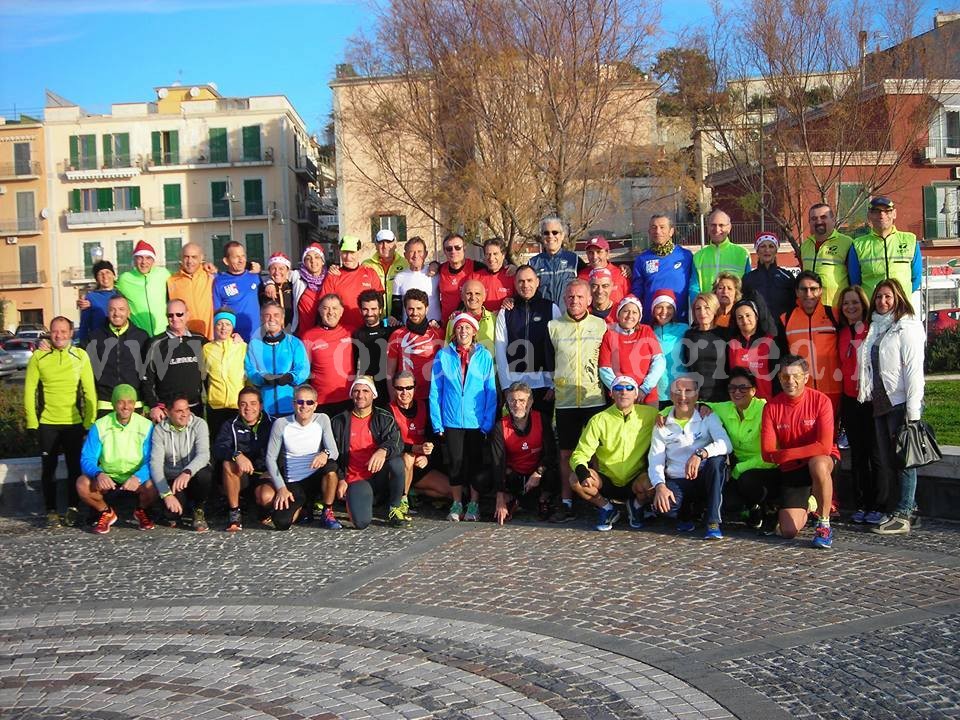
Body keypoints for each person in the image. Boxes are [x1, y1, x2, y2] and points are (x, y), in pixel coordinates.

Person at [858, 278, 926, 535]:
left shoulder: (906, 327)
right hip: (880, 403)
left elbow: (914, 371)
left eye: (888, 297)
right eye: (878, 297)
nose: (882, 302)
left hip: (900, 403)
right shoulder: (875, 326)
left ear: (898, 298)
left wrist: (913, 411)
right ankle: (907, 507)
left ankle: (904, 513)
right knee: (889, 461)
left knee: (904, 461)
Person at [24, 316, 97, 527]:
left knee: (75, 468)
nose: (59, 336)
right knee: (49, 469)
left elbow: (89, 391)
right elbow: (29, 391)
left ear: (71, 333)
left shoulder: (80, 355)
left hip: (74, 423)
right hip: (48, 423)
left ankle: (73, 508)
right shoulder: (39, 356)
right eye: (55, 331)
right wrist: (32, 422)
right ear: (49, 332)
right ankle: (51, 511)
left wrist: (89, 422)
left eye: (64, 331)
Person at [761, 354, 839, 549]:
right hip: (793, 467)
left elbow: (824, 446)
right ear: (779, 378)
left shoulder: (821, 401)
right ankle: (811, 503)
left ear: (806, 377)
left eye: (796, 376)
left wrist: (787, 454)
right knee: (788, 531)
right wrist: (787, 456)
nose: (791, 381)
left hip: (820, 460)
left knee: (818, 463)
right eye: (785, 377)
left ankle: (824, 524)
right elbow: (767, 453)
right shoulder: (772, 406)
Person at [545, 279, 607, 522]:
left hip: (594, 397)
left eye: (580, 297)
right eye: (570, 297)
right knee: (566, 454)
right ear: (564, 299)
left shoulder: (601, 325)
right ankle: (567, 501)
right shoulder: (553, 326)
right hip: (566, 400)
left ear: (589, 300)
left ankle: (596, 499)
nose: (575, 301)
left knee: (594, 453)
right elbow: (548, 361)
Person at [429, 313, 498, 522]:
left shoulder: (484, 356)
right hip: (451, 419)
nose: (463, 332)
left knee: (475, 462)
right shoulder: (443, 356)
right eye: (459, 328)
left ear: (474, 331)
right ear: (454, 331)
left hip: (476, 420)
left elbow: (490, 391)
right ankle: (457, 502)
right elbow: (435, 390)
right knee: (456, 463)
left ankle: (474, 503)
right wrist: (437, 422)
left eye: (467, 328)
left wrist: (487, 422)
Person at [648, 375, 733, 540]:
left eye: (688, 391)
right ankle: (687, 512)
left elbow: (726, 444)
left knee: (717, 462)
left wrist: (700, 454)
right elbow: (655, 459)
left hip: (705, 477)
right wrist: (660, 486)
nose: (683, 396)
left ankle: (713, 522)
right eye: (678, 391)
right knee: (665, 508)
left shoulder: (707, 415)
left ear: (697, 394)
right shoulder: (662, 423)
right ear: (671, 395)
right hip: (679, 479)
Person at [570, 377, 659, 531]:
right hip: (607, 479)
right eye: (618, 389)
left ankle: (636, 506)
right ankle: (607, 507)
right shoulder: (598, 419)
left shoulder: (651, 414)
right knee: (575, 479)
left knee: (656, 482)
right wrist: (581, 470)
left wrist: (702, 407)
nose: (624, 392)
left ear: (636, 394)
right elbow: (580, 452)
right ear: (611, 394)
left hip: (635, 478)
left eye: (629, 388)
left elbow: (677, 413)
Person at [76, 384, 155, 534]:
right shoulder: (100, 425)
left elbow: (152, 459)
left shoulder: (146, 425)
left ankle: (141, 511)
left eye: (130, 402)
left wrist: (138, 477)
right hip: (109, 477)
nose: (126, 407)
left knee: (154, 485)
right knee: (82, 484)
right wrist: (98, 473)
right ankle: (106, 512)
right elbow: (87, 457)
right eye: (121, 402)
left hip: (134, 477)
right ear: (113, 403)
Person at [330, 376, 408, 529]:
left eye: (365, 391)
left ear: (373, 394)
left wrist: (382, 450)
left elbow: (397, 442)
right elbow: (331, 454)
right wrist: (339, 478)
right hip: (355, 480)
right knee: (361, 523)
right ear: (352, 394)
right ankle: (365, 501)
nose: (360, 395)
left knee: (397, 462)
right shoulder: (339, 421)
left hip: (378, 475)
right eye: (357, 391)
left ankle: (395, 507)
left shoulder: (384, 417)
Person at [708, 367, 779, 533]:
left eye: (743, 388)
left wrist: (739, 468)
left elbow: (772, 453)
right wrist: (666, 412)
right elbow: (690, 404)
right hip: (741, 472)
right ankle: (753, 507)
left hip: (768, 467)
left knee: (748, 481)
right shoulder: (726, 407)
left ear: (753, 390)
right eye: (732, 388)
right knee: (729, 503)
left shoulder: (765, 409)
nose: (737, 392)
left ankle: (771, 507)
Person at [263, 384, 341, 530]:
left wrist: (325, 453)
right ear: (294, 404)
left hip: (316, 475)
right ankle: (305, 507)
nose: (304, 406)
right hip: (294, 481)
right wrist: (281, 487)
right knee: (282, 523)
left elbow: (334, 451)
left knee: (331, 469)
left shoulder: (322, 419)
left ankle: (327, 511)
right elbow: (270, 458)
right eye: (300, 402)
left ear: (315, 405)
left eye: (309, 402)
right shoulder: (281, 424)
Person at [836, 285, 878, 524]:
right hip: (850, 399)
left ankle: (878, 504)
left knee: (875, 454)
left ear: (863, 305)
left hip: (872, 399)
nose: (851, 307)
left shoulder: (872, 330)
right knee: (858, 455)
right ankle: (861, 503)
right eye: (846, 303)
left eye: (855, 303)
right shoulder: (841, 333)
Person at [494, 265, 561, 413]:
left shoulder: (551, 308)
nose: (525, 285)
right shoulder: (506, 311)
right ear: (515, 283)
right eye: (521, 281)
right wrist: (506, 386)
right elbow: (500, 349)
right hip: (515, 385)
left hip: (544, 384)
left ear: (537, 282)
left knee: (544, 431)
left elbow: (559, 349)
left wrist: (554, 385)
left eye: (529, 280)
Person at [490, 381, 559, 524]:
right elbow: (498, 462)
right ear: (507, 403)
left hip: (536, 474)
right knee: (481, 479)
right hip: (513, 474)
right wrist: (500, 497)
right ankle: (511, 499)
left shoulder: (541, 419)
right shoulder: (500, 426)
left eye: (522, 400)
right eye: (512, 401)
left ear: (531, 402)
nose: (517, 405)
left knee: (555, 474)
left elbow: (551, 453)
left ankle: (542, 500)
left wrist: (539, 472)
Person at [213, 386, 275, 532]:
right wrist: (237, 455)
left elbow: (283, 452)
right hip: (241, 476)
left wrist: (272, 470)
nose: (248, 408)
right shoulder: (230, 424)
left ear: (260, 406)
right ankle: (234, 513)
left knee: (266, 497)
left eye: (253, 403)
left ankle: (262, 510)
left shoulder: (273, 423)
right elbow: (218, 448)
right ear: (238, 406)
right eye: (243, 404)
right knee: (228, 465)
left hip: (264, 475)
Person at [149, 395, 212, 532]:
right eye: (179, 411)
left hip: (192, 475)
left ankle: (199, 509)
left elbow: (204, 454)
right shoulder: (159, 430)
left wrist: (187, 472)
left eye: (187, 409)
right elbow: (156, 464)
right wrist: (167, 494)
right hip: (172, 477)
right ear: (167, 412)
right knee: (173, 514)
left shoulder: (199, 424)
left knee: (205, 474)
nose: (185, 415)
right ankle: (174, 507)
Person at [389, 371, 451, 509]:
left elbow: (434, 438)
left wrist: (428, 456)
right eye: (400, 388)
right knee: (408, 457)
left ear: (415, 388)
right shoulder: (388, 411)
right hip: (396, 465)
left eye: (409, 388)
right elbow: (390, 443)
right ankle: (401, 501)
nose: (404, 392)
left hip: (420, 463)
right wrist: (414, 449)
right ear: (393, 389)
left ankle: (413, 491)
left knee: (450, 491)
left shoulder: (425, 406)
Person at [781, 270, 841, 411]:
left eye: (813, 289)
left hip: (833, 389)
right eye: (803, 289)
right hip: (801, 391)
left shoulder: (834, 314)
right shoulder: (786, 318)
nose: (808, 294)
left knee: (830, 432)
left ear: (820, 291)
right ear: (797, 292)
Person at [84, 295, 149, 418]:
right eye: (112, 309)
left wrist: (147, 404)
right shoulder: (94, 337)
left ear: (128, 312)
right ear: (107, 312)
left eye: (121, 309)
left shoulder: (142, 336)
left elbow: (147, 372)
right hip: (105, 404)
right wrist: (49, 344)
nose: (116, 313)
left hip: (135, 404)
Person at [142, 299, 207, 421]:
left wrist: (235, 338)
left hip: (194, 409)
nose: (175, 318)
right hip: (166, 411)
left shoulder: (200, 340)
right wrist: (153, 406)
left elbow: (218, 351)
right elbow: (146, 379)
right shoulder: (155, 343)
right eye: (170, 315)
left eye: (179, 314)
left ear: (187, 315)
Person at [244, 301, 310, 418]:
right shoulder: (254, 344)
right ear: (261, 318)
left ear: (282, 318)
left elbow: (303, 368)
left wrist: (289, 377)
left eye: (276, 315)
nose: (271, 319)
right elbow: (250, 370)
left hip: (290, 405)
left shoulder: (294, 342)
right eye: (267, 315)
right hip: (265, 408)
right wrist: (263, 378)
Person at [851, 197, 922, 301]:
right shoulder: (858, 245)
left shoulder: (910, 240)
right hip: (872, 310)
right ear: (869, 215)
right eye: (876, 211)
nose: (881, 215)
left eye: (887, 211)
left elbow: (916, 279)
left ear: (894, 214)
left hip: (902, 309)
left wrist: (899, 297)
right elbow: (855, 282)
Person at [598, 295, 664, 405]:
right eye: (626, 311)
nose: (630, 316)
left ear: (639, 316)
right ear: (618, 314)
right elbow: (604, 369)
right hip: (621, 397)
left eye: (634, 312)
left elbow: (659, 361)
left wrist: (644, 388)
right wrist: (621, 390)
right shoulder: (610, 335)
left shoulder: (646, 331)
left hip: (646, 395)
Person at [632, 215, 695, 324]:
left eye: (662, 227)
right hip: (650, 323)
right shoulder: (641, 259)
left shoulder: (685, 256)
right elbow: (637, 292)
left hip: (679, 322)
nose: (657, 231)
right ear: (649, 231)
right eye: (654, 227)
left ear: (671, 231)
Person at [301, 294, 355, 417]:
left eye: (335, 308)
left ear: (341, 311)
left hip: (348, 399)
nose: (331, 312)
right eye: (326, 308)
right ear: (319, 310)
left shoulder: (351, 332)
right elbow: (304, 372)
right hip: (321, 402)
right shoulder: (309, 336)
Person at [386, 289, 444, 403]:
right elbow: (389, 372)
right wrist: (393, 399)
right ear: (405, 309)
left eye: (419, 308)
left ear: (427, 309)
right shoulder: (397, 335)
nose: (415, 313)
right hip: (405, 398)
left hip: (432, 397)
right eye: (410, 309)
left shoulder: (438, 333)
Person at [322, 235, 385, 333]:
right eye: (344, 253)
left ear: (359, 253)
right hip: (342, 332)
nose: (348, 257)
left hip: (367, 331)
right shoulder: (333, 275)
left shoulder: (370, 273)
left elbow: (380, 303)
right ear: (340, 252)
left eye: (352, 252)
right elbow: (325, 305)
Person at [203, 308, 248, 445]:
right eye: (219, 324)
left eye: (228, 324)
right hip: (216, 406)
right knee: (218, 445)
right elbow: (203, 376)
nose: (223, 328)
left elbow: (249, 376)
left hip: (237, 405)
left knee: (238, 445)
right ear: (215, 325)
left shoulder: (242, 347)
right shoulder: (206, 349)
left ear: (233, 326)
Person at [800, 204, 857, 309]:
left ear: (833, 219)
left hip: (836, 307)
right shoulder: (805, 246)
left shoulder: (847, 243)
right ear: (809, 222)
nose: (818, 221)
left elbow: (855, 279)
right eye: (814, 218)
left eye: (823, 217)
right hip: (811, 309)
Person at [115, 240, 172, 336]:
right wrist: (89, 300)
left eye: (148, 258)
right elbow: (108, 291)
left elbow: (181, 281)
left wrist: (204, 267)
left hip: (164, 332)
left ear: (153, 260)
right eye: (140, 258)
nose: (144, 262)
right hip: (139, 334)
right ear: (134, 260)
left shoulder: (163, 274)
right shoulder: (124, 279)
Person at [726, 298, 778, 400]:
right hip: (741, 402)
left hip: (765, 401)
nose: (744, 320)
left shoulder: (770, 341)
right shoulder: (733, 344)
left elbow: (776, 377)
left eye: (748, 315)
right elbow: (731, 375)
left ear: (756, 316)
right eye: (740, 317)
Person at [681, 292, 728, 402]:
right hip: (697, 398)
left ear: (715, 309)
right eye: (698, 308)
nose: (702, 312)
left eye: (707, 308)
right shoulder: (689, 335)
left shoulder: (725, 334)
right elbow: (688, 366)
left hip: (723, 398)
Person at [529, 214, 585, 306]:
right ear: (542, 236)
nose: (550, 236)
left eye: (555, 232)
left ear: (562, 235)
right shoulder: (533, 263)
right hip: (543, 316)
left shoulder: (574, 260)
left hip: (567, 317)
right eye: (546, 233)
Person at [691, 209, 751, 294]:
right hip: (707, 306)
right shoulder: (698, 256)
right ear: (707, 227)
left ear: (729, 228)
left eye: (721, 225)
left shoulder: (742, 254)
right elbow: (694, 288)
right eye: (713, 225)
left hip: (734, 306)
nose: (717, 229)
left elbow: (748, 286)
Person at [212, 241, 262, 342]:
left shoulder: (255, 277)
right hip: (232, 339)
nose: (241, 260)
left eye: (243, 256)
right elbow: (217, 313)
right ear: (226, 261)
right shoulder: (219, 281)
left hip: (255, 337)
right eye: (236, 257)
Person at [742, 231, 797, 323]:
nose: (767, 250)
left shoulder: (787, 277)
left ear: (776, 251)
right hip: (758, 330)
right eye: (763, 246)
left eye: (771, 246)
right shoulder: (748, 278)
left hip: (782, 329)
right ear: (757, 250)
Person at [353, 289, 394, 406]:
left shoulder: (390, 331)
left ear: (380, 309)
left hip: (388, 386)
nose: (369, 313)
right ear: (360, 310)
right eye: (365, 309)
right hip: (367, 388)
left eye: (373, 309)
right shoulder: (357, 334)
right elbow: (354, 364)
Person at [167, 242, 215, 338]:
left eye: (194, 257)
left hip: (210, 337)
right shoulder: (171, 281)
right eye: (186, 257)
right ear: (181, 258)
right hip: (186, 339)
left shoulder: (210, 277)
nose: (190, 261)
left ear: (201, 258)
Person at [649, 290, 687, 410]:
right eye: (659, 307)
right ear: (653, 309)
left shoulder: (684, 329)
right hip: (656, 395)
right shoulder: (646, 331)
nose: (664, 312)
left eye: (669, 307)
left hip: (682, 393)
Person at [391, 236, 441, 323]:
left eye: (419, 251)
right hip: (409, 329)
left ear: (425, 254)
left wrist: (437, 265)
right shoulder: (399, 277)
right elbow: (396, 308)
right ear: (405, 255)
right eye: (411, 252)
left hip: (434, 328)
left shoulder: (436, 273)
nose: (415, 255)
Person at [436, 232, 483, 324]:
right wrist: (433, 264)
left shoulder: (477, 267)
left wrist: (511, 267)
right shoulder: (440, 269)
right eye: (449, 249)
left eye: (457, 247)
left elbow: (496, 270)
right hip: (447, 325)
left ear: (464, 248)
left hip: (469, 326)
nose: (453, 251)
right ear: (444, 251)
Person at [362, 228, 408, 319]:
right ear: (375, 245)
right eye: (381, 243)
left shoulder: (406, 263)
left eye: (388, 242)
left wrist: (435, 266)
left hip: (399, 318)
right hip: (375, 319)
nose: (385, 246)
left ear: (395, 244)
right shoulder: (366, 265)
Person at [443, 278, 496, 354]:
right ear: (462, 296)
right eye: (468, 293)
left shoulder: (495, 320)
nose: (473, 297)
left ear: (484, 297)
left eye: (477, 293)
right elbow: (447, 352)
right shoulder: (453, 321)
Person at [76, 260, 118, 345]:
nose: (104, 276)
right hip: (99, 343)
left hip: (120, 341)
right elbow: (84, 325)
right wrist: (83, 344)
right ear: (96, 279)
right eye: (100, 274)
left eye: (107, 272)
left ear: (114, 275)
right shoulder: (91, 298)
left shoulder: (121, 294)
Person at [578, 236, 630, 306]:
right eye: (590, 252)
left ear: (607, 253)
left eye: (599, 252)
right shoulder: (581, 276)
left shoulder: (621, 274)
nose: (594, 256)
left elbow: (629, 301)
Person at [291, 243, 328, 337]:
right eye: (308, 258)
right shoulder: (297, 276)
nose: (313, 261)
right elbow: (278, 274)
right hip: (303, 334)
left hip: (324, 334)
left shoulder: (330, 278)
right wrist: (269, 283)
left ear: (323, 261)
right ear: (304, 262)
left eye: (317, 257)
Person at [473, 238, 514, 312]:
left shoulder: (512, 275)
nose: (491, 258)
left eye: (495, 254)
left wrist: (513, 301)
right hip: (483, 321)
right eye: (488, 254)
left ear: (503, 255)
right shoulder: (475, 277)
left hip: (506, 321)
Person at [258, 252, 296, 330]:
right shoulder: (262, 287)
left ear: (288, 270)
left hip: (292, 330)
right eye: (273, 268)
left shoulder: (294, 285)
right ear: (269, 270)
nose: (277, 272)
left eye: (281, 268)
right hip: (270, 331)